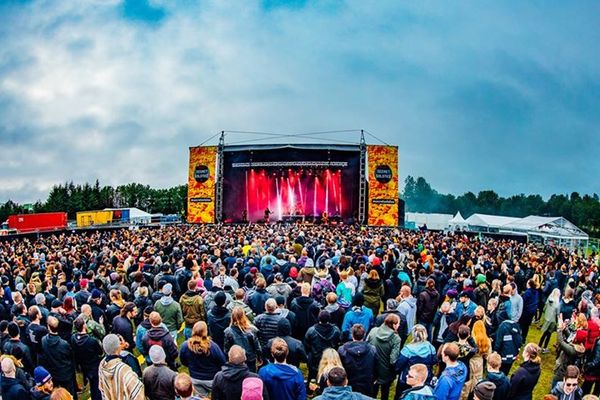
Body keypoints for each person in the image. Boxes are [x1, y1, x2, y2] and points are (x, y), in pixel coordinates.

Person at [179, 321, 226, 397]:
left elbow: (183, 361)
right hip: (212, 379)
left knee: (200, 398)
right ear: (205, 332)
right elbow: (222, 361)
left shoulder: (185, 345)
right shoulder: (212, 346)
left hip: (195, 378)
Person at [39, 316, 77, 399]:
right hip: (65, 373)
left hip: (55, 373)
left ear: (48, 327)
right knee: (67, 393)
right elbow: (71, 357)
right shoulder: (63, 344)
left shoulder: (44, 340)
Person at [394, 324, 437, 397]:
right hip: (424, 379)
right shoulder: (431, 347)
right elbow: (434, 361)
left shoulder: (407, 349)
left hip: (408, 379)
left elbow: (398, 365)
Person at [98, 334, 145, 400]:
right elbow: (138, 393)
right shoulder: (124, 370)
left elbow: (102, 387)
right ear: (118, 347)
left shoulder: (102, 365)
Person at [368, 313, 402, 400]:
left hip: (372, 368)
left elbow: (366, 346)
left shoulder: (373, 331)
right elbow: (393, 360)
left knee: (372, 393)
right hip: (386, 372)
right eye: (398, 323)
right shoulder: (396, 339)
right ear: (394, 325)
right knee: (385, 393)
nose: (399, 325)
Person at [338, 324, 377, 397]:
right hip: (366, 382)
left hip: (350, 383)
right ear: (364, 335)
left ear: (352, 335)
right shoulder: (373, 350)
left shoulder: (342, 350)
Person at [304, 310, 341, 384]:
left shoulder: (311, 331)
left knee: (312, 375)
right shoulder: (336, 330)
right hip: (330, 358)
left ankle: (310, 390)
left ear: (319, 318)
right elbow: (338, 342)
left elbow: (306, 345)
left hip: (315, 358)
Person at [71, 317, 103, 400]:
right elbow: (100, 352)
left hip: (83, 366)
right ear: (84, 326)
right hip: (94, 366)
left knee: (91, 384)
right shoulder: (91, 341)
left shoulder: (73, 338)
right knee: (96, 386)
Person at [224, 307, 262, 372]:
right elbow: (257, 348)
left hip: (236, 361)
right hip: (250, 359)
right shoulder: (252, 331)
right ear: (244, 316)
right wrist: (259, 357)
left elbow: (226, 350)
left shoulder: (228, 332)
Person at [539, 288, 561, 353]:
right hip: (552, 321)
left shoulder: (548, 300)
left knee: (544, 334)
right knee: (548, 335)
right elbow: (557, 313)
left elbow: (544, 308)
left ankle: (539, 346)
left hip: (546, 318)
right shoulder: (557, 304)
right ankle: (544, 348)